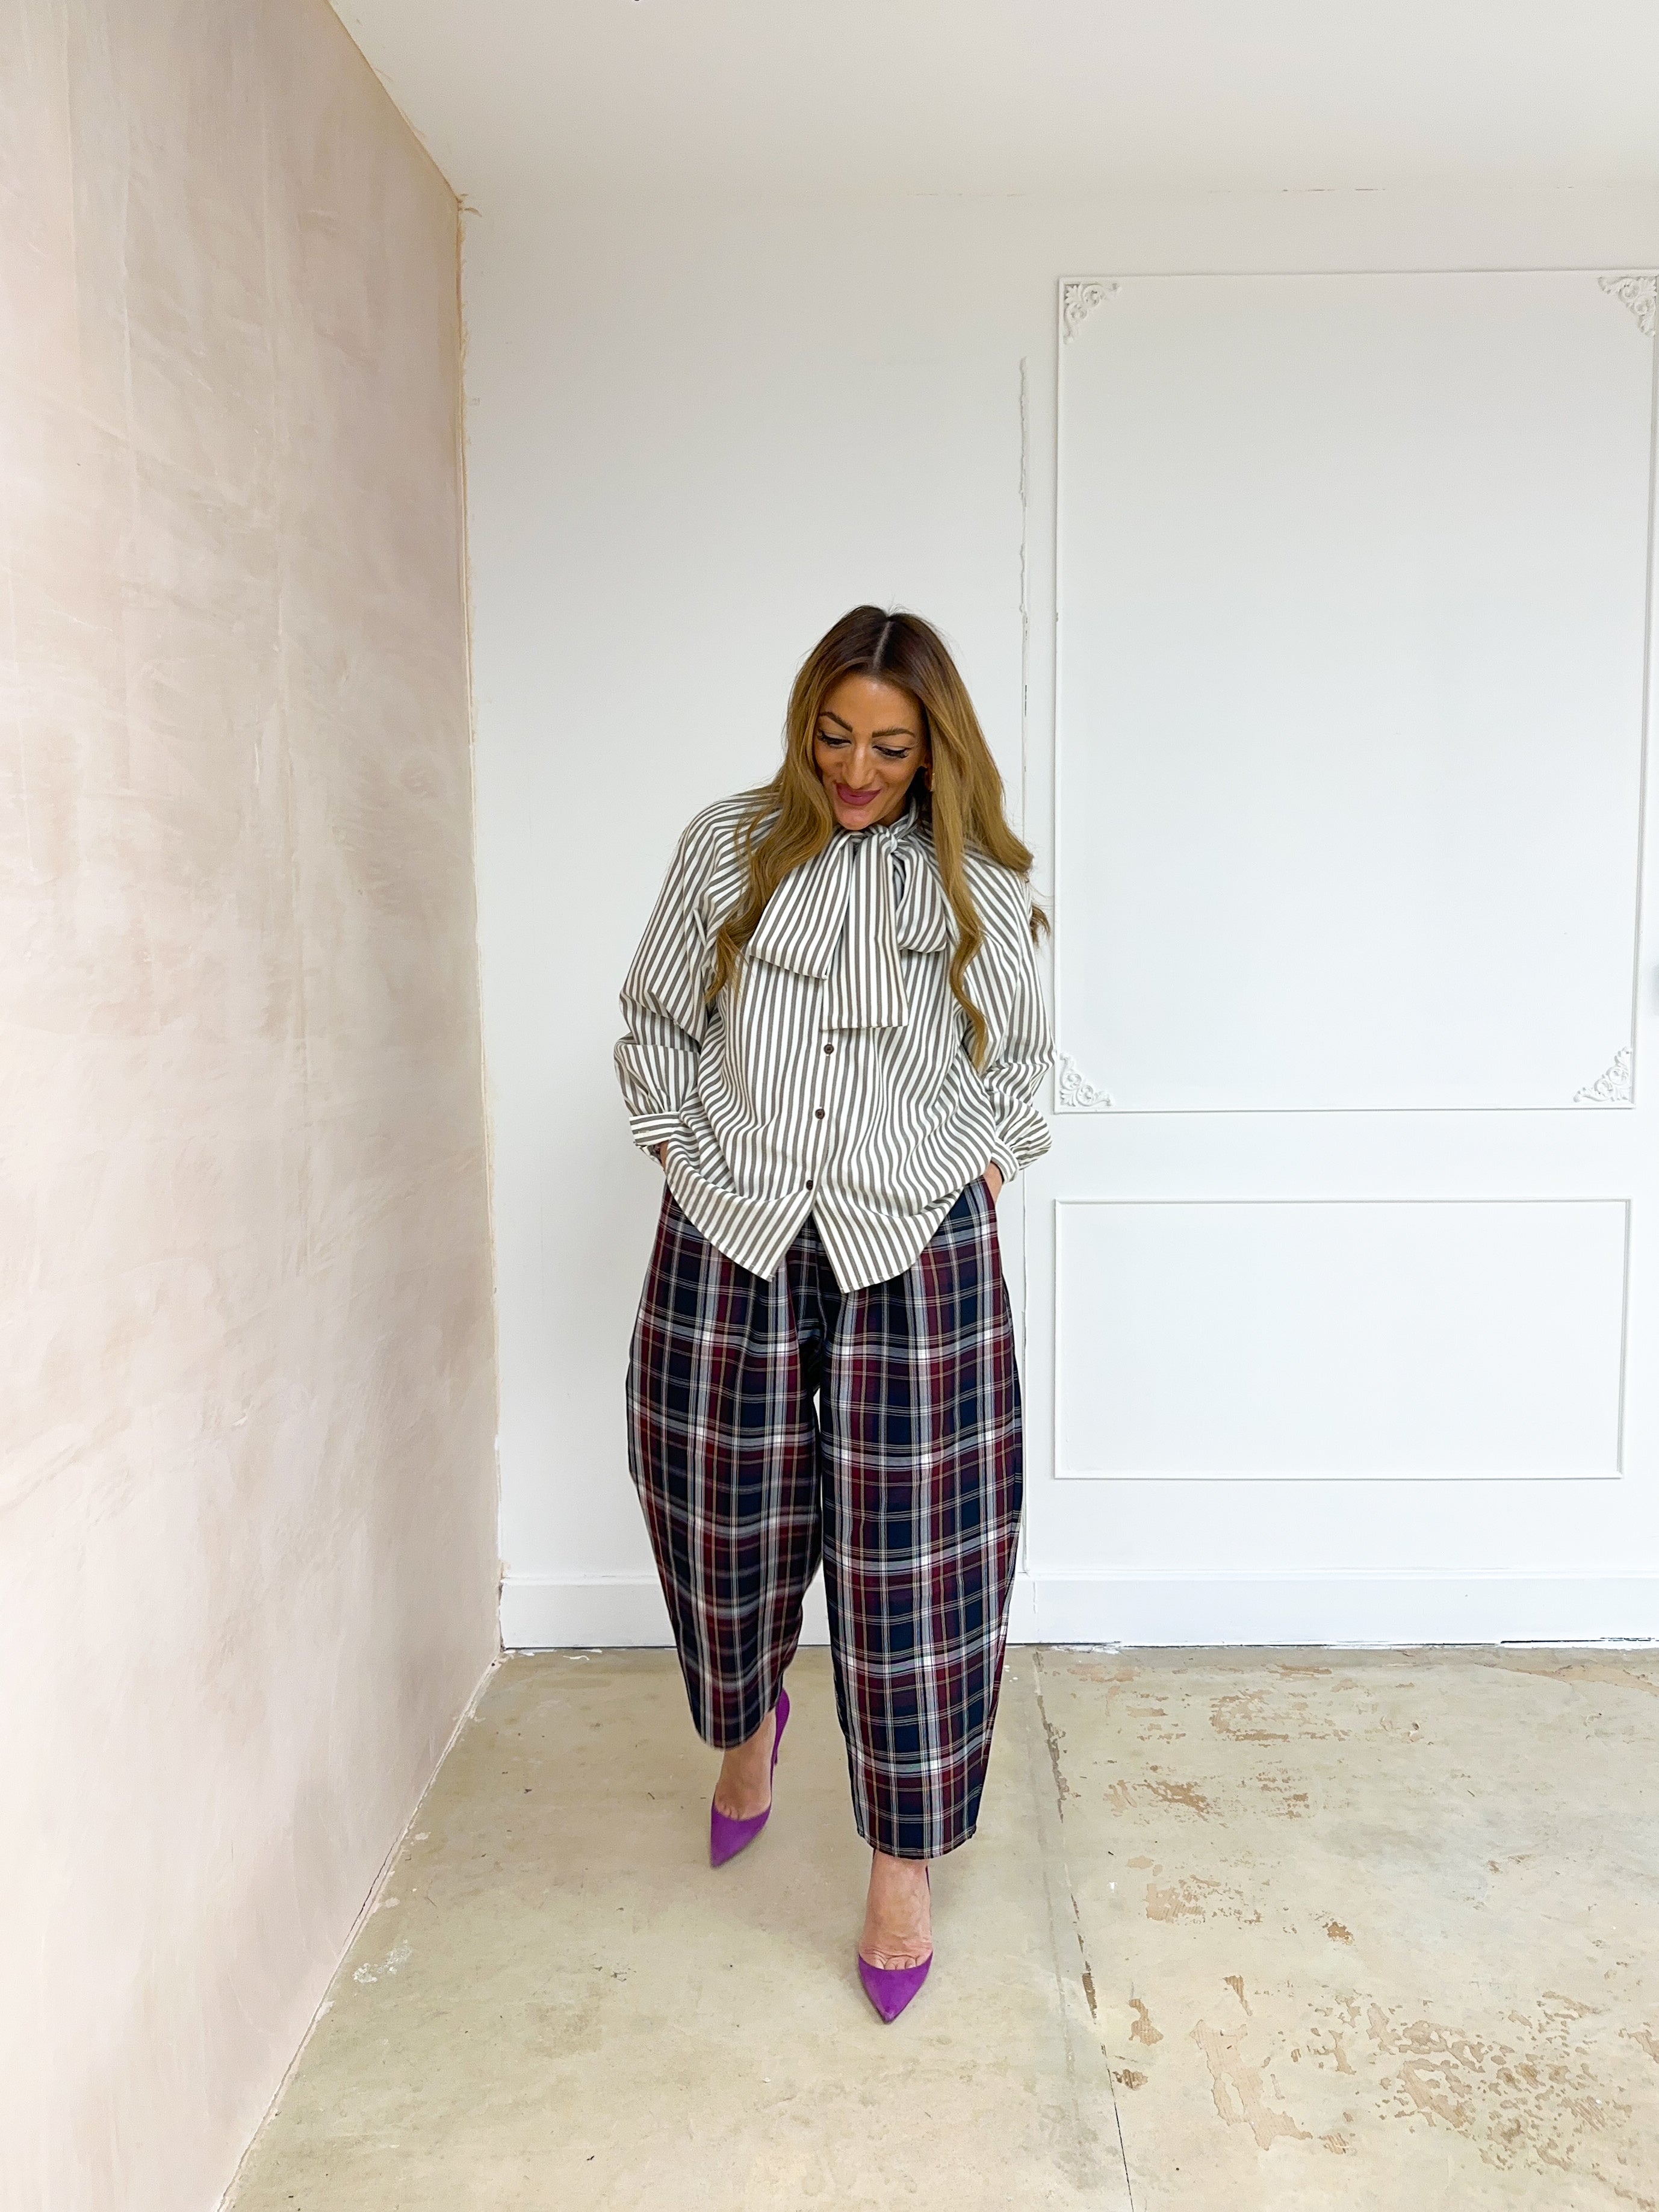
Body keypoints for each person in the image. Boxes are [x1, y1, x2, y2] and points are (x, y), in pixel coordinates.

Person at [615, 605, 1051, 2022]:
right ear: (804, 720)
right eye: (834, 735)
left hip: (905, 1234)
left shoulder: (973, 872)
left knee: (920, 1560)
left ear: (934, 751)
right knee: (708, 1498)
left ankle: (900, 1872)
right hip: (733, 1213)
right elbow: (656, 1016)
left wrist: (969, 1158)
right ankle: (744, 1724)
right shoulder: (727, 844)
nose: (856, 769)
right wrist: (682, 1150)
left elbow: (1027, 1058)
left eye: (889, 747)